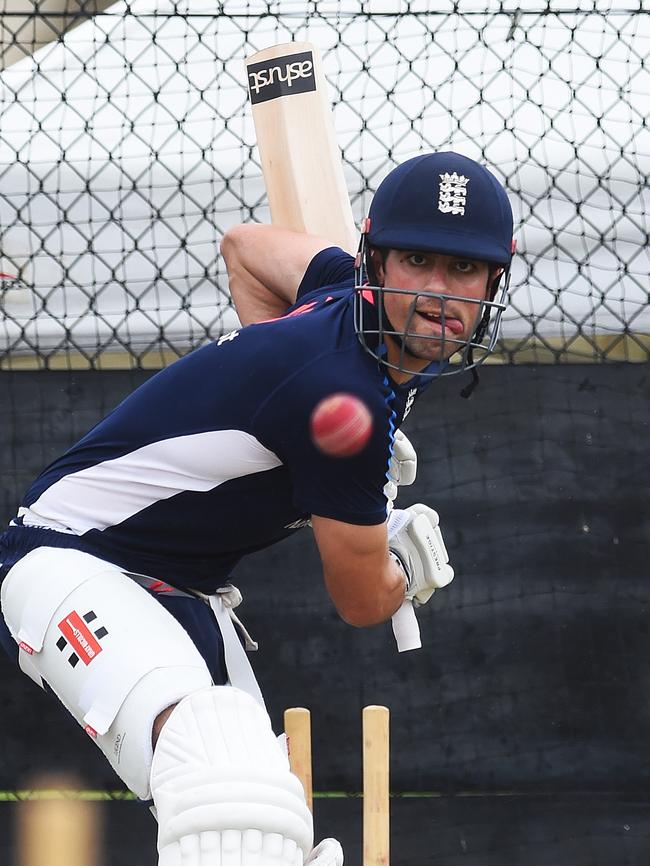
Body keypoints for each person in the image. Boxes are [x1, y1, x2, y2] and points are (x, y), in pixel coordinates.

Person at [0, 151, 514, 866]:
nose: (437, 291)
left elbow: (246, 249)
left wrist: (291, 431)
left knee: (262, 828)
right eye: (417, 259)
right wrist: (401, 559)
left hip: (183, 593)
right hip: (64, 565)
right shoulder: (345, 399)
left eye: (463, 269)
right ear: (377, 260)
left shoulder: (341, 292)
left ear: (495, 277)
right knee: (219, 779)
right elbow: (365, 600)